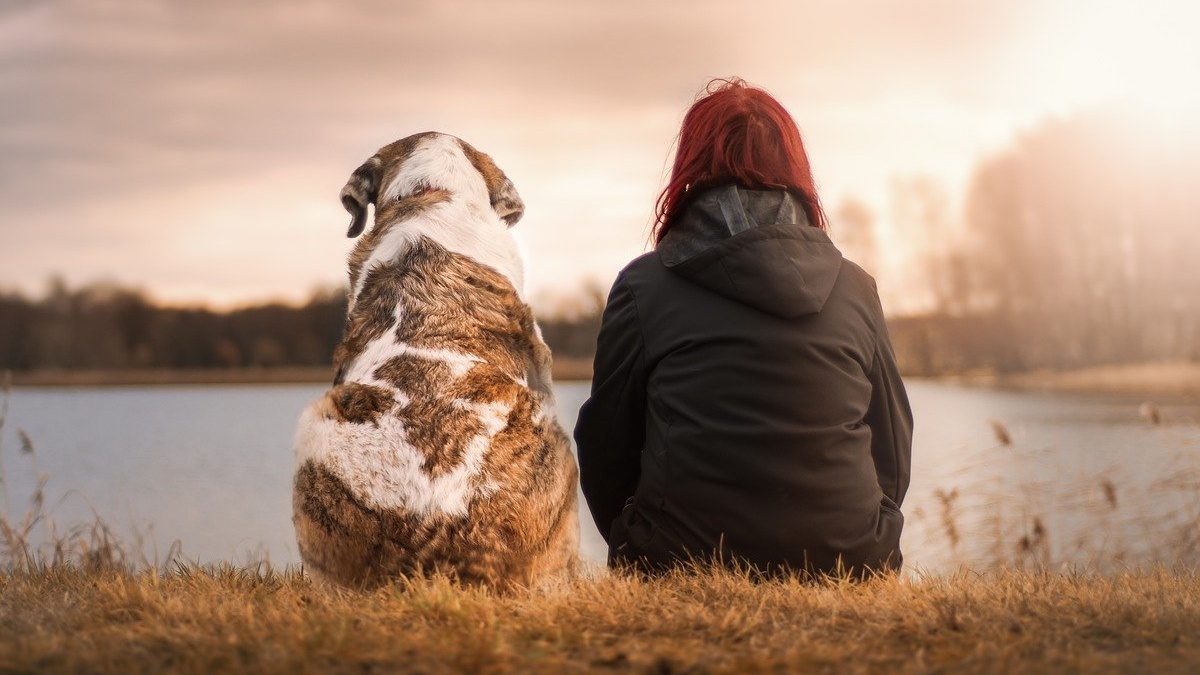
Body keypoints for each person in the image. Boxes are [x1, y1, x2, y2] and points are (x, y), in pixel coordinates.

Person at [574, 78, 913, 578]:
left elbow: (605, 446)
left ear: (691, 167)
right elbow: (893, 443)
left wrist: (637, 539)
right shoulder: (856, 287)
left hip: (678, 561)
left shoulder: (644, 287)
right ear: (794, 168)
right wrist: (866, 531)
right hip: (850, 560)